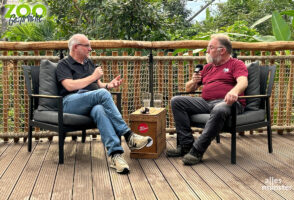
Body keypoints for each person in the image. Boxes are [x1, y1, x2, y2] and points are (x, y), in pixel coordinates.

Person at [56, 34, 152, 174]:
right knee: (101, 96)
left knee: (100, 110)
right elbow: (69, 86)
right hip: (69, 103)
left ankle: (115, 156)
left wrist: (109, 85)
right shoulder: (63, 64)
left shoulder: (89, 62)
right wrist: (94, 77)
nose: (90, 49)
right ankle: (128, 135)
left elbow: (98, 86)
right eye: (87, 46)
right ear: (76, 47)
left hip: (91, 102)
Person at [166, 34, 248, 165]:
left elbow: (243, 82)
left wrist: (234, 91)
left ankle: (197, 150)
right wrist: (193, 81)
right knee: (177, 101)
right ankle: (186, 145)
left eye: (210, 47)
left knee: (219, 108)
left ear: (222, 50)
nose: (207, 51)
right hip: (206, 102)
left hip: (228, 103)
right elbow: (189, 89)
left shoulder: (236, 64)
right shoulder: (208, 67)